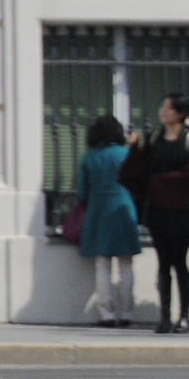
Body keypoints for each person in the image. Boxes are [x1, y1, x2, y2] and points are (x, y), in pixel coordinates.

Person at [119, 93, 189, 334]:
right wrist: (134, 148)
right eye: (163, 106)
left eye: (168, 108)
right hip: (158, 210)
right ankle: (165, 317)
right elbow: (140, 171)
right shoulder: (155, 137)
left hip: (182, 212)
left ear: (180, 113)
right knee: (163, 263)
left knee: (180, 262)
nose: (163, 111)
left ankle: (185, 316)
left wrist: (161, 182)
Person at [76, 115, 140, 327]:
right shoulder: (126, 154)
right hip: (124, 209)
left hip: (98, 211)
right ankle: (126, 313)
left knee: (102, 264)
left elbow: (82, 192)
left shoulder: (89, 158)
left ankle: (106, 314)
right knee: (126, 264)